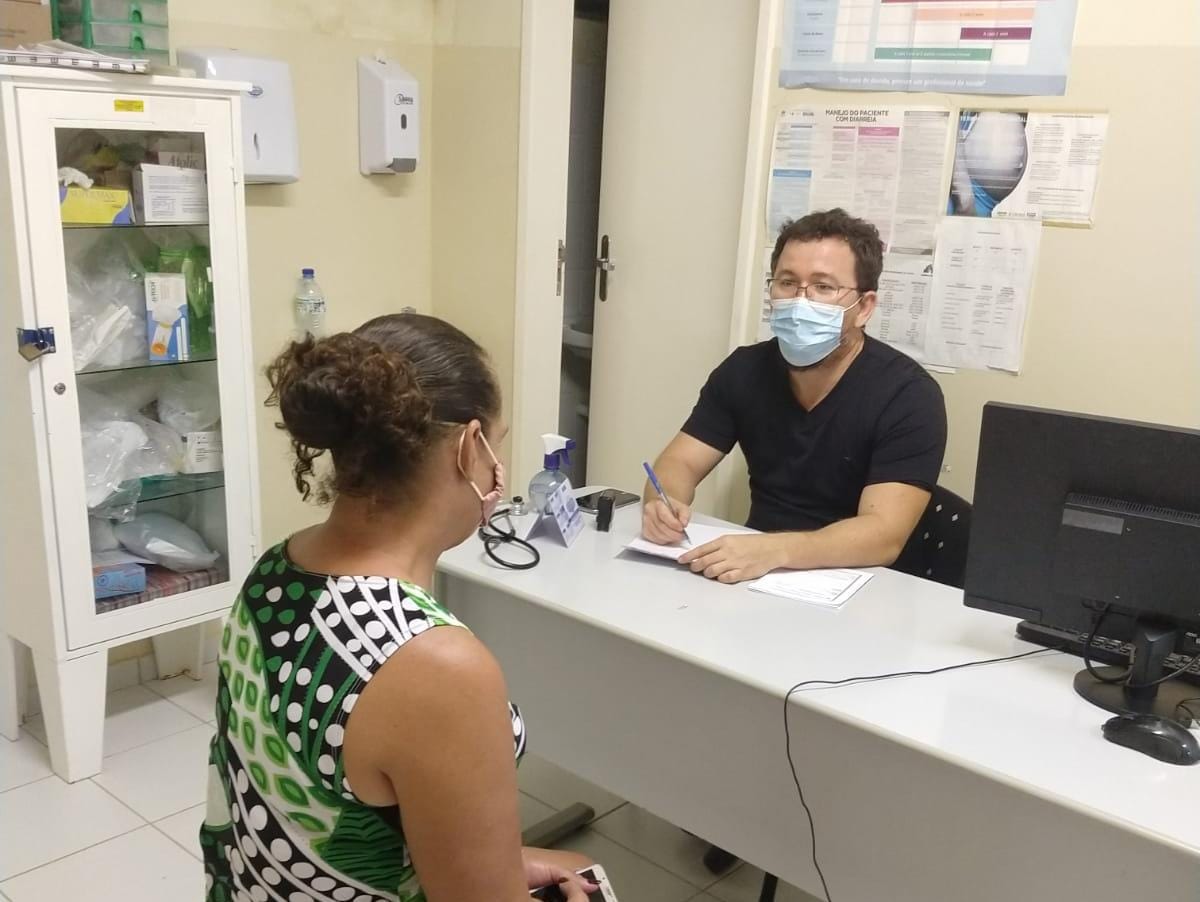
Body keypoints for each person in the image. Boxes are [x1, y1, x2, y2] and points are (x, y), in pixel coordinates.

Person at [200, 314, 594, 902]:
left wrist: (500, 863)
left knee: (566, 862)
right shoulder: (433, 665)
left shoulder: (276, 570)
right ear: (469, 446)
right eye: (498, 442)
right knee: (585, 870)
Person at [642, 208, 947, 584]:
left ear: (864, 307)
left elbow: (884, 534)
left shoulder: (908, 395)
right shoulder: (744, 370)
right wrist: (664, 501)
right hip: (756, 573)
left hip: (862, 583)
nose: (801, 301)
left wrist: (777, 550)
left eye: (823, 287)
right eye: (787, 282)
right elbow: (681, 462)